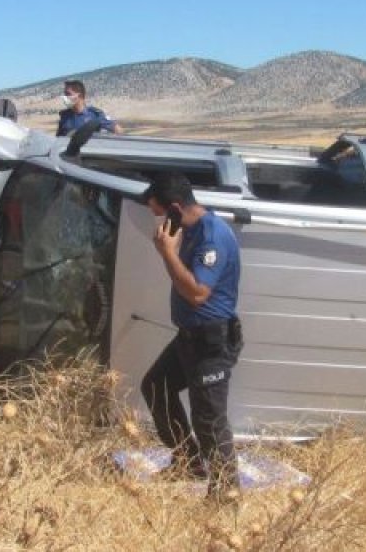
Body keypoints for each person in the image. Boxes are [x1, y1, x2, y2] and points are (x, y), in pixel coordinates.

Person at [139, 173, 243, 500]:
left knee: (209, 419)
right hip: (189, 337)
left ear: (173, 208)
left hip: (211, 341)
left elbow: (198, 294)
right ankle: (188, 462)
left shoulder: (212, 236)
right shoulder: (191, 229)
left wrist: (167, 252)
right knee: (157, 387)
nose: (158, 221)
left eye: (159, 213)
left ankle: (226, 495)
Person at [56, 80, 123, 136]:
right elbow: (59, 138)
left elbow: (118, 130)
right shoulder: (65, 115)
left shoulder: (94, 115)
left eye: (68, 94)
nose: (64, 97)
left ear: (79, 95)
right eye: (64, 94)